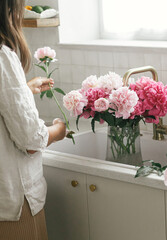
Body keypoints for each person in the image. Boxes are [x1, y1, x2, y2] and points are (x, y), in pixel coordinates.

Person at [0, 0, 67, 239]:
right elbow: (30, 140)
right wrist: (60, 129)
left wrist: (23, 91)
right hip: (12, 204)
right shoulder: (2, 55)